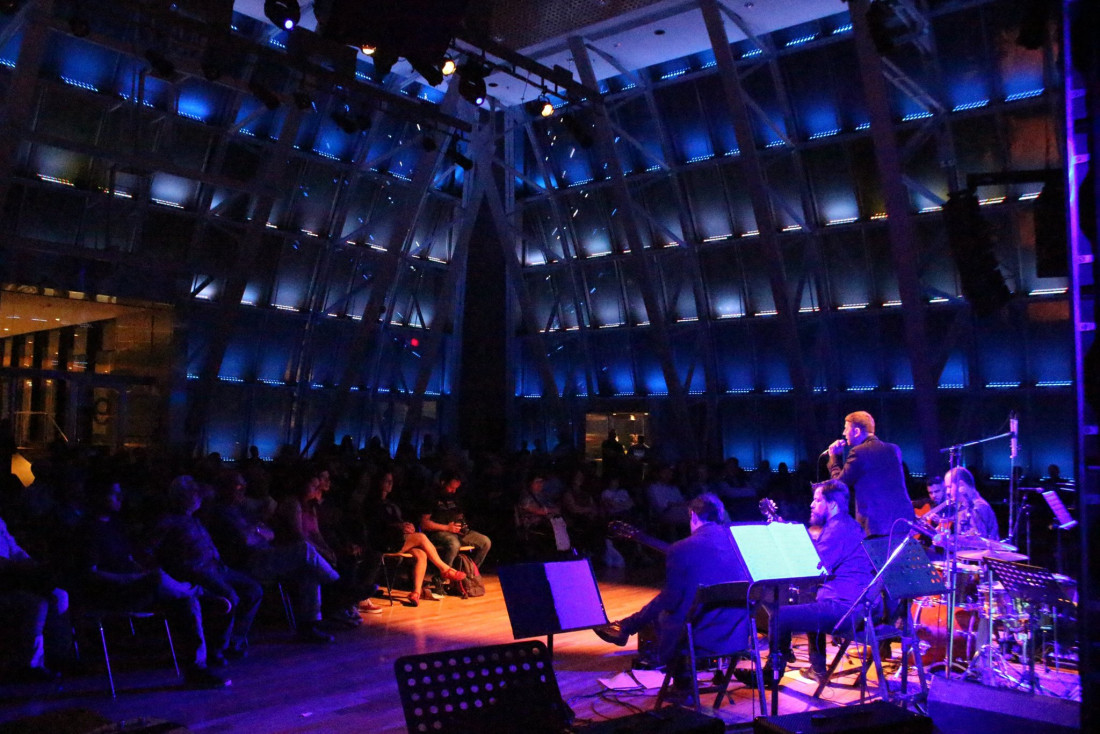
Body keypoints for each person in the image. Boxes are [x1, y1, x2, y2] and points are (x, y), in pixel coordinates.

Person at [76, 480, 228, 688]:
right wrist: (131, 578)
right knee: (162, 579)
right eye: (114, 494)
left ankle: (196, 669)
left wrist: (139, 572)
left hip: (132, 587)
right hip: (109, 593)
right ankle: (200, 593)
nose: (120, 498)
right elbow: (89, 574)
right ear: (96, 497)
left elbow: (129, 559)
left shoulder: (115, 525)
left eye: (120, 493)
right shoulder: (87, 530)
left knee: (185, 602)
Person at [592, 494, 751, 681]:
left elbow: (671, 600)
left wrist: (635, 620)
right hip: (738, 634)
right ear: (721, 515)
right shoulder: (743, 544)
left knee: (663, 610)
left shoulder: (682, 547)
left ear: (692, 515)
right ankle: (627, 627)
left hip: (699, 636)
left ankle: (679, 676)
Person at [736, 479, 876, 686]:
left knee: (780, 615)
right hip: (853, 604)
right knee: (806, 599)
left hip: (843, 608)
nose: (811, 504)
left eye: (817, 500)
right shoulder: (847, 525)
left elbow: (813, 567)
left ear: (832, 504)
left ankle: (772, 673)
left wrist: (784, 541)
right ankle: (815, 667)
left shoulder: (837, 529)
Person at [368, 470, 465, 607]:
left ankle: (416, 593)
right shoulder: (372, 502)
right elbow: (376, 524)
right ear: (378, 482)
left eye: (391, 481)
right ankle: (444, 569)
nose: (390, 484)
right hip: (383, 541)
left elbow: (397, 521)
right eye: (386, 481)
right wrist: (399, 526)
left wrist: (407, 526)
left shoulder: (390, 501)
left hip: (398, 538)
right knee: (421, 537)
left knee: (421, 554)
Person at [827, 411, 913, 537]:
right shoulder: (894, 449)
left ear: (856, 431)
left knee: (875, 557)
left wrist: (834, 458)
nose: (844, 433)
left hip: (876, 524)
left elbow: (839, 485)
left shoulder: (858, 452)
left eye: (846, 429)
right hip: (902, 521)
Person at [421, 471, 491, 570]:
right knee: (454, 544)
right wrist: (447, 528)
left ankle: (469, 573)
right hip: (439, 533)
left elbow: (460, 515)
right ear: (443, 483)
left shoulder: (455, 497)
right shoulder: (431, 497)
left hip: (458, 532)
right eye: (451, 487)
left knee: (485, 542)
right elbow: (424, 523)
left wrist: (462, 524)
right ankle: (444, 576)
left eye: (456, 488)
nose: (453, 491)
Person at [943, 466, 999, 540]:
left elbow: (977, 544)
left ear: (961, 485)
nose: (947, 492)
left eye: (949, 487)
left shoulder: (977, 508)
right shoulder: (964, 506)